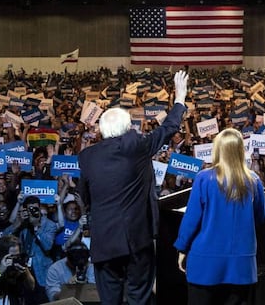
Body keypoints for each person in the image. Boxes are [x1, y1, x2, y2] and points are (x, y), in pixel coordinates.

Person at [77, 70, 188, 305]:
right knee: (140, 298)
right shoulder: (135, 146)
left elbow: (84, 196)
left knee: (110, 301)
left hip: (104, 242)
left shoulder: (86, 157)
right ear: (128, 129)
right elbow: (168, 129)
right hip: (136, 241)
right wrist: (180, 98)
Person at [174, 128, 265, 305]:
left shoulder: (204, 178)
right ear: (241, 150)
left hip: (205, 262)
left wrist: (182, 247)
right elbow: (262, 216)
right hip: (241, 265)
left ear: (218, 149)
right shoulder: (253, 180)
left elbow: (191, 219)